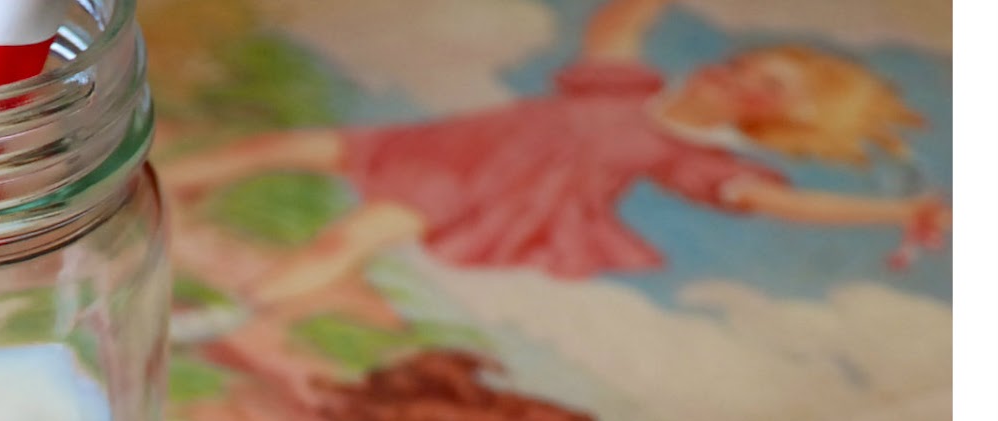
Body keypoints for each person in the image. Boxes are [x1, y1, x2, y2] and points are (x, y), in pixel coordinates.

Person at [162, 0, 948, 304]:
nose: (730, 71)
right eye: (744, 61)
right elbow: (619, 25)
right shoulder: (626, 85)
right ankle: (125, 193)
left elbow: (788, 202)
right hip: (444, 146)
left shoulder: (692, 156)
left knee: (348, 237)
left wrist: (902, 206)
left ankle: (235, 311)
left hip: (491, 188)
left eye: (758, 84)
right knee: (276, 143)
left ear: (774, 119)